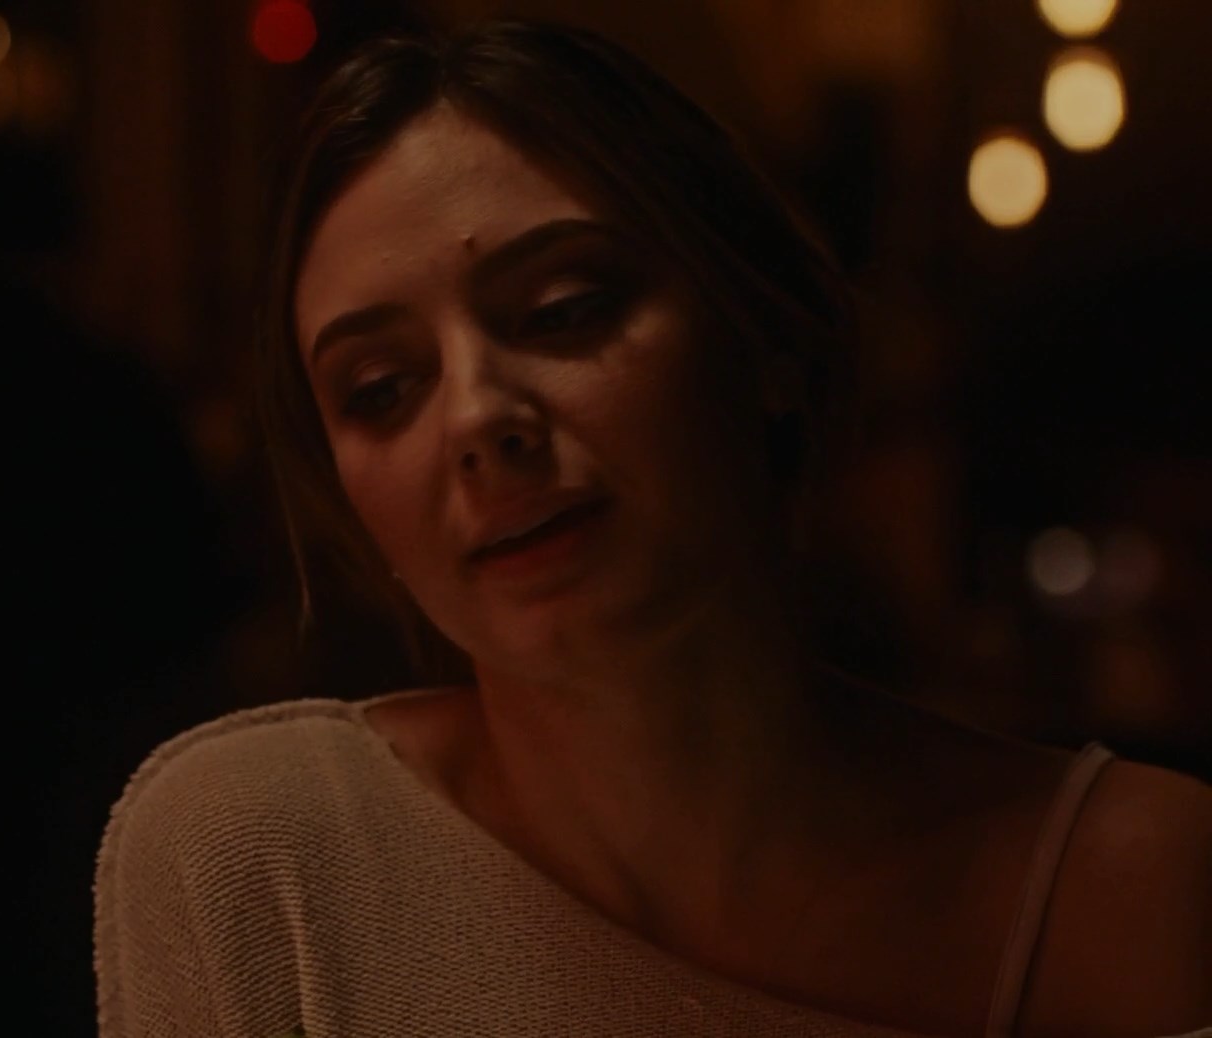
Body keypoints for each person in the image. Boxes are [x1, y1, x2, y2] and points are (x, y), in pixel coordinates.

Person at [92, 21, 1212, 1038]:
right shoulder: (265, 858)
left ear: (762, 339)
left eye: (563, 311)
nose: (477, 418)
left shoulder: (1131, 885)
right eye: (381, 388)